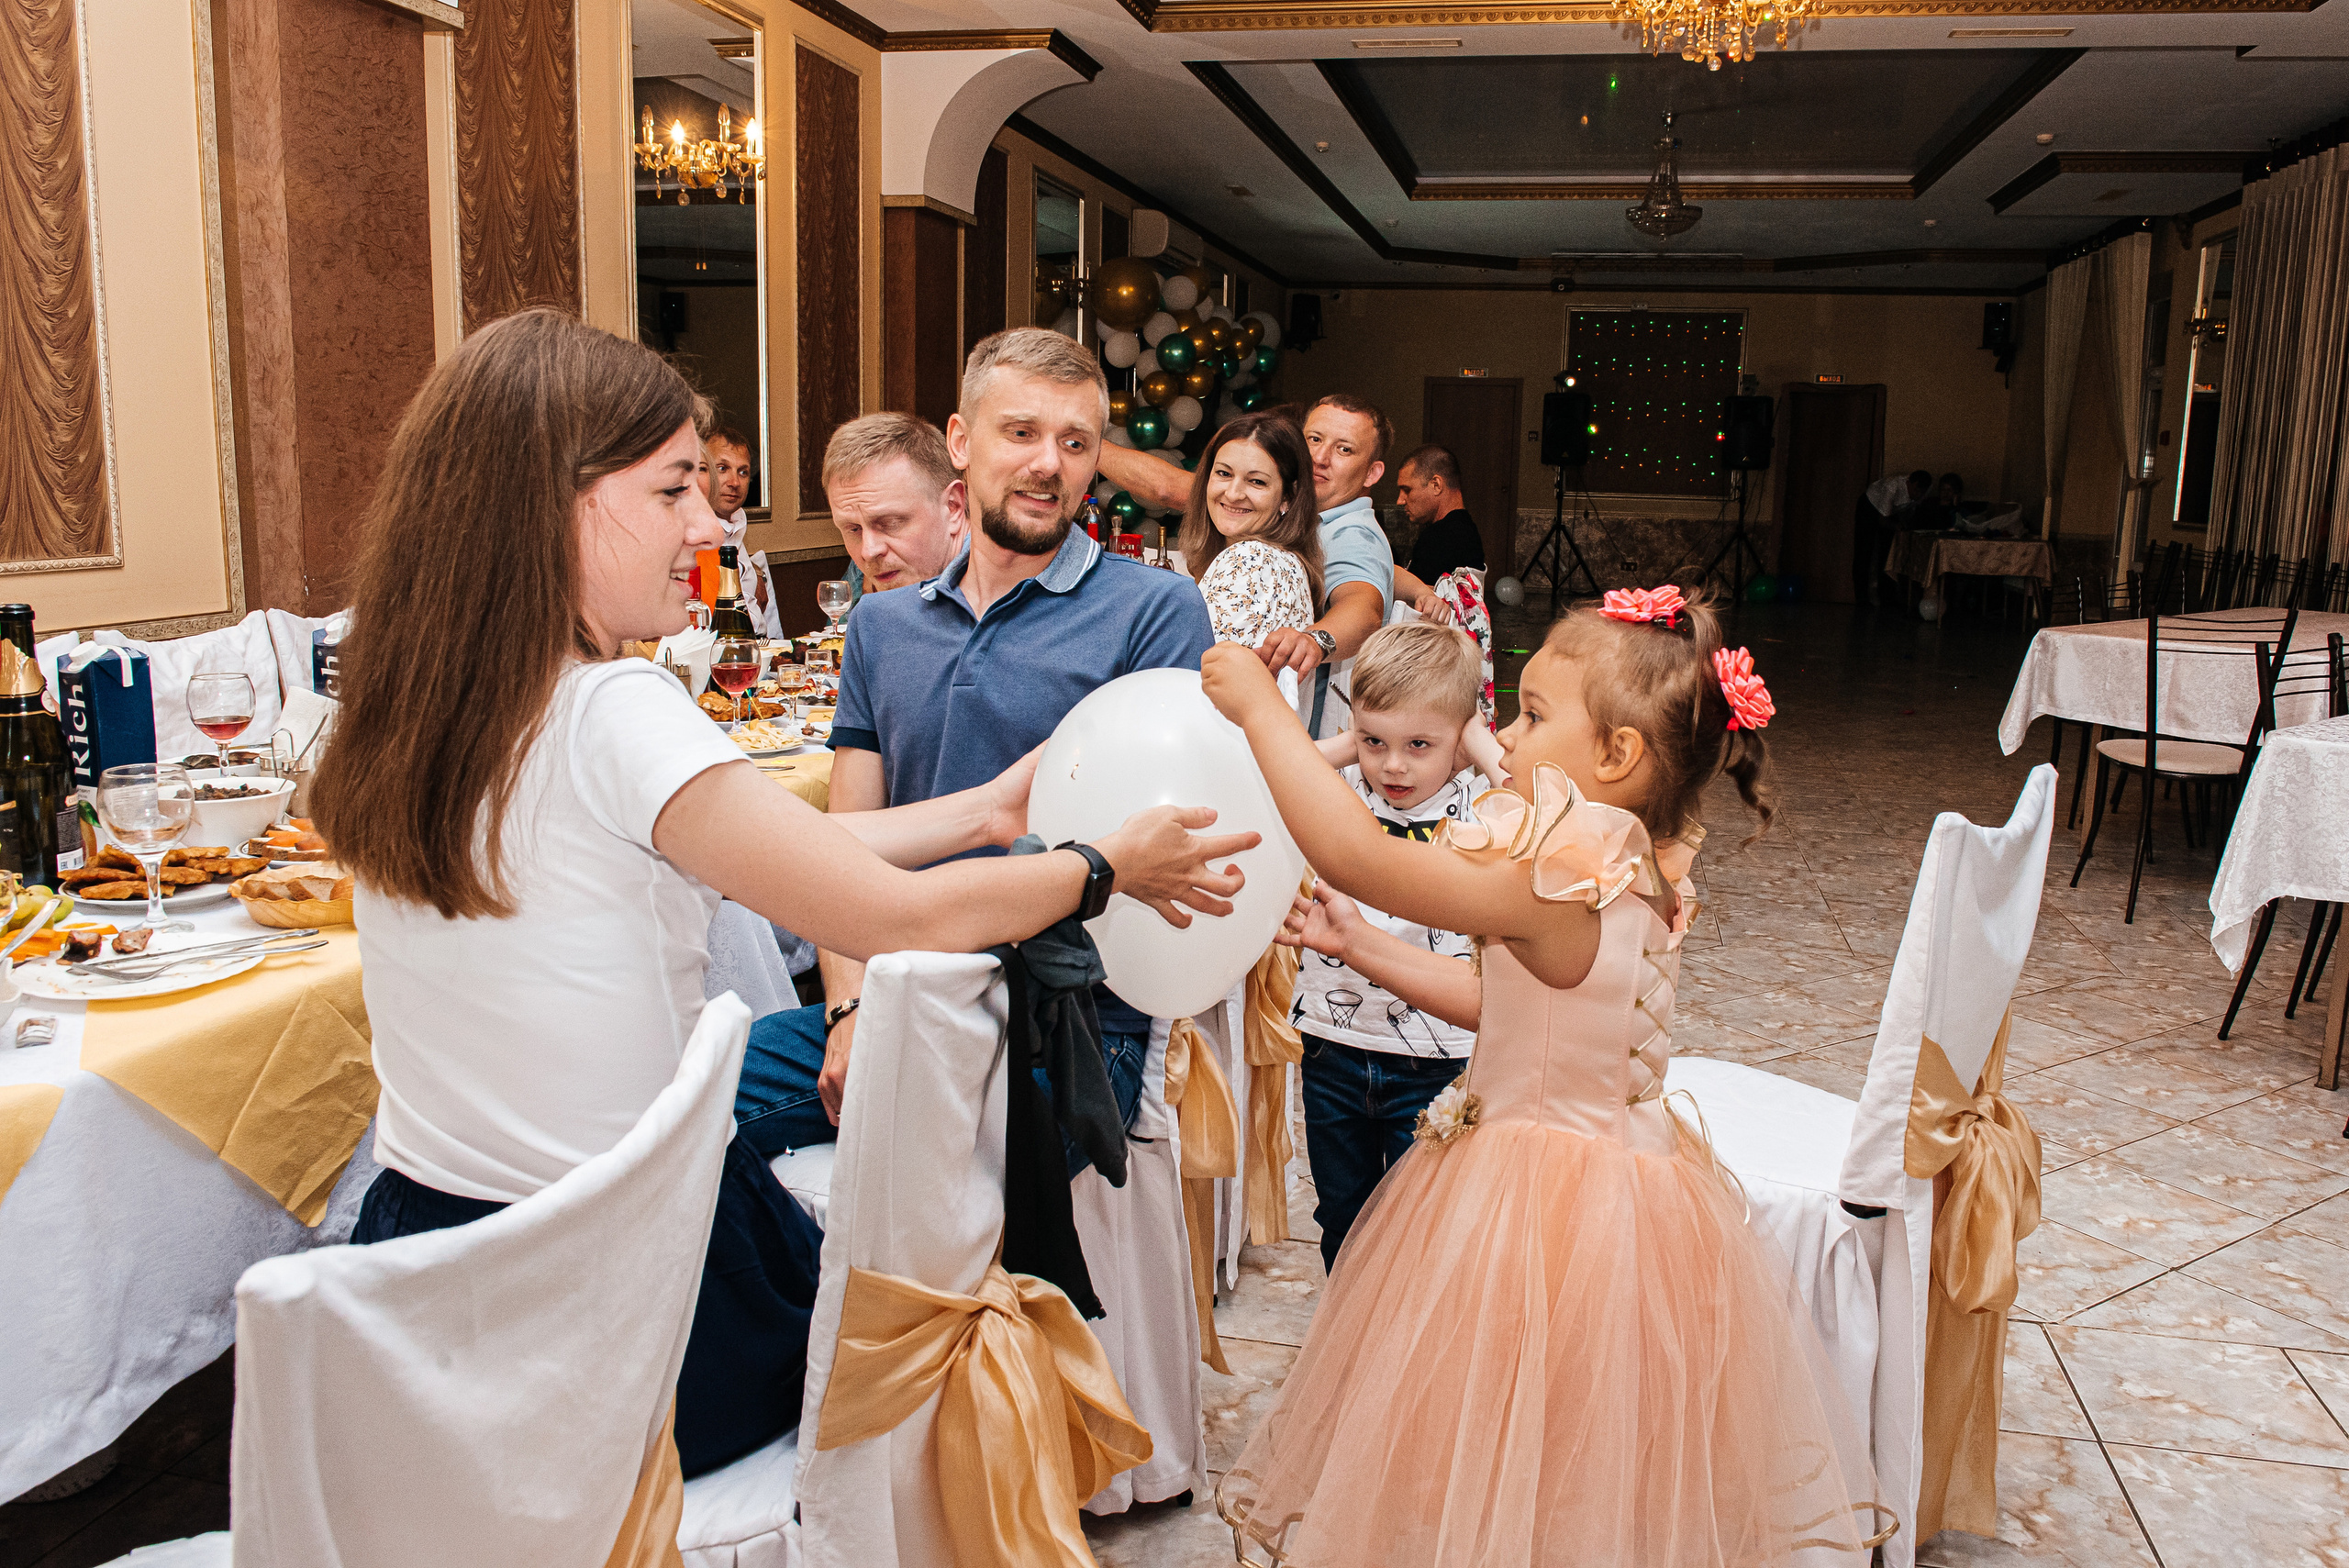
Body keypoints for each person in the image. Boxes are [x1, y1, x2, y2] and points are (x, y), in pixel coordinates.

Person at [314, 308, 1250, 1481]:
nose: (711, 524)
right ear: (555, 500)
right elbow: (887, 911)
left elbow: (829, 852)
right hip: (614, 1300)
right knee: (894, 1346)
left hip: (437, 1278)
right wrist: (1104, 865)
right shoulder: (614, 707)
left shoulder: (410, 710)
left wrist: (984, 812)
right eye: (672, 492)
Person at [1199, 585, 1888, 1564]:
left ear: (1613, 757)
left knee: (1521, 1425)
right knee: (1551, 1442)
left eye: (1528, 715)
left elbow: (1357, 853)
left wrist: (1264, 711)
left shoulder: (1564, 871)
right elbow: (1505, 1006)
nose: (1503, 739)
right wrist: (1360, 947)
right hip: (1615, 1176)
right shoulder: (1627, 864)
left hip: (1541, 1203)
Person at [1287, 622, 1497, 1273]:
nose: (1394, 765)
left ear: (1458, 740)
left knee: (1427, 1221)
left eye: (1419, 744)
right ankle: (1346, 1340)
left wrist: (1477, 742)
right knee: (1343, 1213)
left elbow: (1538, 790)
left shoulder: (1482, 805)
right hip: (1333, 1045)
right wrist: (1353, 743)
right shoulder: (1344, 790)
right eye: (1375, 742)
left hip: (1437, 1063)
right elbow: (1273, 765)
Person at [1183, 411, 1322, 652]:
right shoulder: (1278, 559)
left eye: (1256, 481)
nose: (1234, 494)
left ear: (1288, 497)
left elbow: (1194, 671)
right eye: (1224, 474)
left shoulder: (1252, 560)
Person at [822, 412, 968, 595]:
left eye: (890, 523)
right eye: (854, 530)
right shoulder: (866, 579)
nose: (868, 551)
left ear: (952, 506)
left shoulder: (1005, 588)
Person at [1388, 443, 1484, 617]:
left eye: (1407, 490)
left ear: (1436, 485)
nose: (1400, 500)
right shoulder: (1466, 529)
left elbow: (1416, 609)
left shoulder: (1441, 538)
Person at [698, 425, 776, 634]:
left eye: (743, 472)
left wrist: (755, 571)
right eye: (722, 468)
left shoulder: (735, 528)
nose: (734, 482)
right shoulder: (688, 538)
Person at [1855, 467, 1930, 605]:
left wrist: (1905, 524)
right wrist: (1896, 526)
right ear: (1909, 483)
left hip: (1893, 513)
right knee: (1864, 551)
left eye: (1921, 492)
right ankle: (1861, 597)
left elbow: (1910, 510)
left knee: (1887, 554)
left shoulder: (1921, 493)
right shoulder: (1892, 487)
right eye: (1916, 491)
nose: (1918, 495)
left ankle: (1886, 597)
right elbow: (1882, 520)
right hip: (1871, 507)